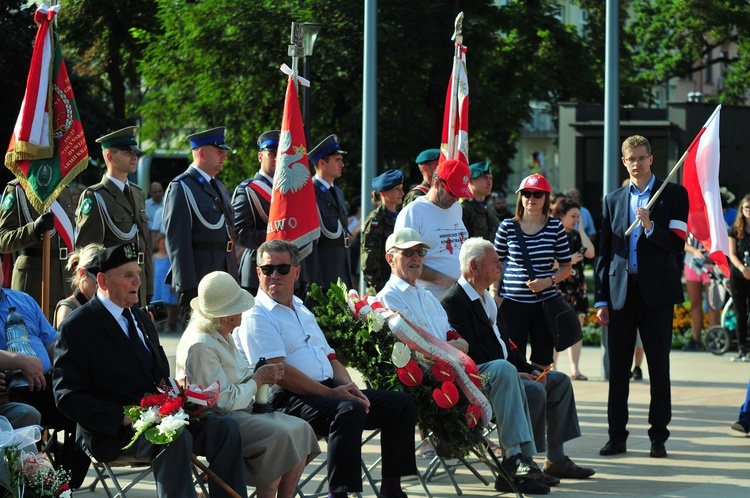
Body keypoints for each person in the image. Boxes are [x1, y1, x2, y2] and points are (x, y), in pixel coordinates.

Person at [54, 243, 247, 498]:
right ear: (102, 280)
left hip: (163, 417)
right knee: (174, 438)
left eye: (138, 273)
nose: (137, 281)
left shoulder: (140, 317)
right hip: (116, 433)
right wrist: (119, 416)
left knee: (226, 428)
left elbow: (157, 375)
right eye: (128, 276)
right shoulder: (78, 326)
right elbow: (66, 395)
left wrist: (185, 400)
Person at [234, 239, 417, 498]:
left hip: (324, 392)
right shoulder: (256, 313)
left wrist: (346, 386)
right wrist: (332, 394)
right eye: (267, 269)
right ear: (258, 273)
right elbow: (279, 371)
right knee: (348, 410)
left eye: (283, 269)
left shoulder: (300, 307)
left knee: (400, 404)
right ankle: (339, 494)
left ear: (296, 272)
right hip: (286, 398)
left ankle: (391, 490)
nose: (274, 275)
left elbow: (330, 357)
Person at [376, 229, 551, 495]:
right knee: (504, 369)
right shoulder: (388, 298)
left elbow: (453, 336)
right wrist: (452, 346)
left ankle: (519, 463)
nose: (416, 258)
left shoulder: (426, 296)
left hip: (458, 371)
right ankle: (515, 459)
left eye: (420, 252)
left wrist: (452, 344)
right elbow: (414, 348)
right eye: (408, 252)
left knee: (531, 386)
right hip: (433, 382)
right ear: (390, 258)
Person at [441, 237, 595, 492]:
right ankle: (519, 463)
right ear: (474, 266)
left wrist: (528, 368)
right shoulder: (454, 301)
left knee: (558, 381)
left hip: (504, 371)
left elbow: (504, 343)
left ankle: (555, 459)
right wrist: (516, 372)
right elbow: (470, 354)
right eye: (494, 261)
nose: (501, 266)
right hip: (480, 379)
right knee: (532, 388)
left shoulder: (487, 298)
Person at [175, 271, 320, 498]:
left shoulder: (221, 332)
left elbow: (238, 376)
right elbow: (220, 402)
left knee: (300, 429)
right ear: (226, 316)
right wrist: (258, 379)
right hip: (217, 420)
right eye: (239, 309)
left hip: (241, 409)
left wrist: (262, 375)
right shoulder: (201, 344)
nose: (243, 313)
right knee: (281, 436)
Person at [595, 135, 688, 459]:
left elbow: (677, 244)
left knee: (658, 369)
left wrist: (650, 227)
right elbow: (605, 254)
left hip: (657, 295)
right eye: (631, 158)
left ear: (651, 159)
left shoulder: (673, 195)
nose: (637, 163)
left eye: (642, 157)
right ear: (624, 162)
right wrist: (601, 299)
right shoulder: (613, 199)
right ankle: (616, 437)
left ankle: (658, 437)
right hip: (621, 294)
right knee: (618, 370)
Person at [0, 256, 90, 487]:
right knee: (31, 412)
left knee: (87, 407)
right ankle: (40, 483)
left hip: (45, 383)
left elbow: (52, 344)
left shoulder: (22, 300)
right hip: (12, 388)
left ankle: (64, 482)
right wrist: (19, 360)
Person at [493, 174, 572, 367]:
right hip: (511, 303)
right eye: (527, 193)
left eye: (537, 194)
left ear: (546, 198)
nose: (532, 198)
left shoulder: (555, 227)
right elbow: (496, 264)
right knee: (512, 361)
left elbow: (566, 267)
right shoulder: (507, 226)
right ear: (520, 197)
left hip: (544, 306)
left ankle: (541, 397)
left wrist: (549, 281)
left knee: (542, 362)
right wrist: (495, 294)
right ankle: (520, 397)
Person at [163, 126, 238, 320]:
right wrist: (187, 287)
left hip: (225, 272)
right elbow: (177, 243)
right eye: (219, 151)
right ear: (202, 153)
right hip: (201, 277)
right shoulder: (182, 187)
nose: (224, 156)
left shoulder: (219, 186)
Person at [76, 126, 152, 306]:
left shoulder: (137, 193)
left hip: (137, 283)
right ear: (110, 156)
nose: (134, 156)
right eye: (127, 152)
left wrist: (148, 289)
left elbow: (144, 247)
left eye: (134, 152)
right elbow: (88, 252)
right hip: (113, 290)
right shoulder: (95, 197)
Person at [394, 159, 471, 300]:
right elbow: (402, 262)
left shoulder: (456, 207)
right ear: (437, 183)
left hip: (458, 297)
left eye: (460, 193)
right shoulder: (413, 213)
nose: (456, 198)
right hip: (428, 299)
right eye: (452, 192)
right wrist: (443, 280)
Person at [0, 180, 76, 310]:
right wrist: (33, 230)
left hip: (65, 277)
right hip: (33, 280)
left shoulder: (64, 189)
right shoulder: (18, 189)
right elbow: (3, 240)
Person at [552, 199, 595, 380]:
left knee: (577, 327)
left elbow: (591, 252)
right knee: (555, 329)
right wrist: (570, 260)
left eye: (578, 216)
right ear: (561, 216)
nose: (576, 219)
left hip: (577, 287)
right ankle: (552, 368)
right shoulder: (553, 234)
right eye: (572, 216)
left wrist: (582, 230)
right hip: (559, 286)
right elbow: (546, 262)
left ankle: (575, 368)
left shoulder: (577, 236)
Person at [232, 130, 279, 295]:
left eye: (281, 155)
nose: (277, 159)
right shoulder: (247, 190)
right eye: (271, 154)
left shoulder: (289, 191)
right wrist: (277, 240)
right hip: (257, 269)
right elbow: (239, 232)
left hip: (286, 272)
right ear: (260, 156)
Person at [306, 134, 353, 290]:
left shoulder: (337, 192)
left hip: (341, 266)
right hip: (324, 273)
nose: (343, 164)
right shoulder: (309, 193)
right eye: (337, 160)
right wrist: (315, 282)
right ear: (322, 163)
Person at [360, 170, 404, 295]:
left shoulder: (401, 216)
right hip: (382, 290)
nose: (402, 193)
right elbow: (369, 263)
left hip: (399, 286)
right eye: (397, 189)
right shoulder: (375, 221)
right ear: (384, 193)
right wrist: (383, 288)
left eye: (401, 188)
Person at [682, 233, 720, 351]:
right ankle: (696, 340)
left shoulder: (713, 216)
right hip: (692, 263)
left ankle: (714, 340)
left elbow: (721, 239)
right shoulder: (689, 217)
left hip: (711, 266)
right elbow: (681, 241)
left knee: (713, 304)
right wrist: (694, 251)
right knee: (695, 303)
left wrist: (712, 256)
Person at [53, 243, 104, 329]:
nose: (102, 284)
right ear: (82, 273)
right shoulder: (67, 309)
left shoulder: (105, 305)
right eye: (97, 279)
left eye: (105, 277)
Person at [727, 194, 750, 362]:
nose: (749, 211)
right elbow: (732, 254)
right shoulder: (735, 230)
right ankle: (742, 349)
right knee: (740, 313)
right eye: (746, 208)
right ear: (741, 210)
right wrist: (742, 268)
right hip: (738, 276)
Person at [461, 161, 499, 242]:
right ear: (470, 181)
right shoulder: (464, 209)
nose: (489, 183)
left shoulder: (489, 210)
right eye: (485, 178)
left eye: (490, 178)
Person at [152, 234, 179, 332]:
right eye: (163, 244)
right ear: (158, 244)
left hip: (167, 284)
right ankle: (159, 323)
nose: (165, 246)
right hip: (157, 284)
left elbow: (174, 271)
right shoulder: (154, 257)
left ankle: (168, 324)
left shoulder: (170, 257)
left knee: (169, 305)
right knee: (157, 304)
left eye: (166, 244)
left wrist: (173, 284)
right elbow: (152, 270)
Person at [146, 182, 165, 248]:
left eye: (160, 191)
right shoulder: (145, 205)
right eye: (155, 192)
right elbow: (147, 221)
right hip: (151, 233)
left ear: (163, 192)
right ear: (150, 193)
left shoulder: (168, 202)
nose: (158, 194)